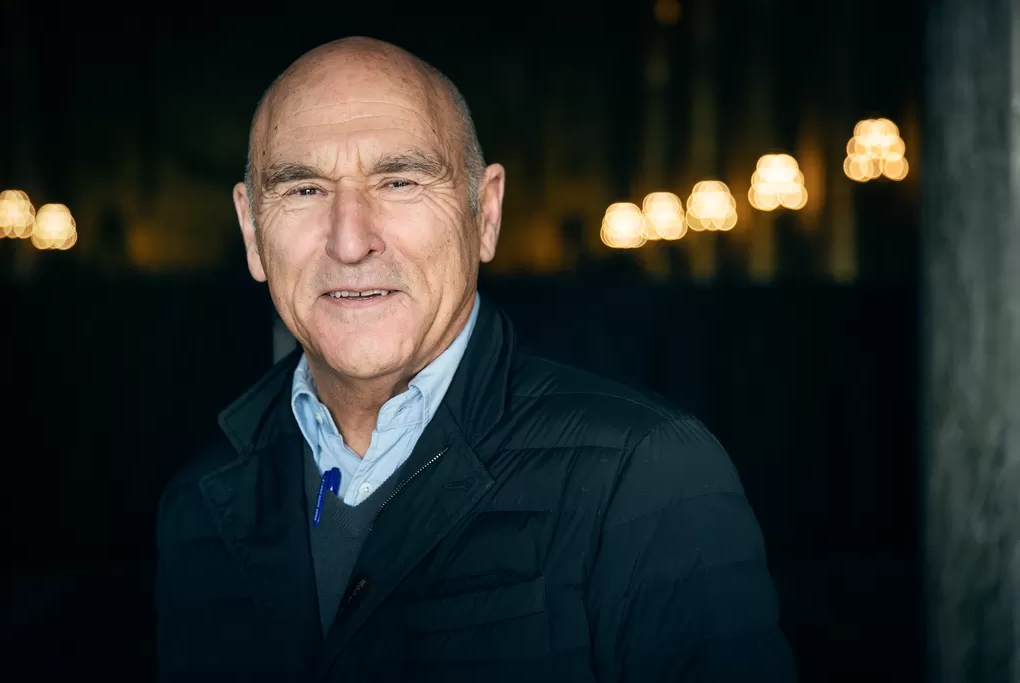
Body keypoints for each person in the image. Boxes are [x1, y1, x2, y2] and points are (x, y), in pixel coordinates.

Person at [155, 37, 796, 683]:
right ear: (252, 231)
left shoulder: (645, 474)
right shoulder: (200, 501)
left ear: (485, 214)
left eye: (400, 182)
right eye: (303, 189)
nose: (349, 241)